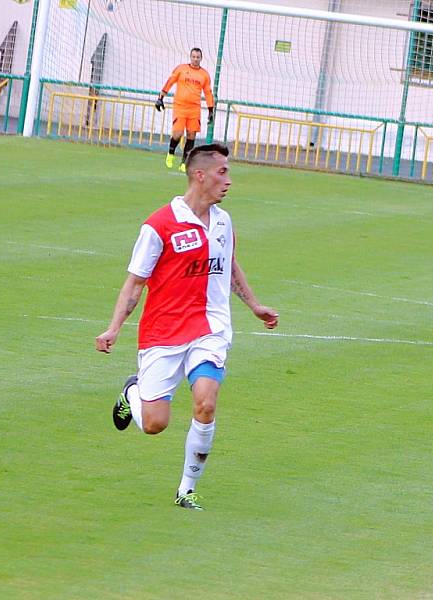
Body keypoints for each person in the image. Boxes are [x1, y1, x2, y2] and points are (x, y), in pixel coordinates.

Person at [95, 143, 278, 510]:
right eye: (222, 172)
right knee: (154, 424)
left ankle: (186, 489)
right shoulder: (159, 225)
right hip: (162, 333)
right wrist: (114, 328)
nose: (229, 181)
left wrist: (254, 304)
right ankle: (132, 393)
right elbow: (134, 284)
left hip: (210, 328)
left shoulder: (224, 222)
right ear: (200, 175)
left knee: (206, 404)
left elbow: (228, 265)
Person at [155, 47, 215, 174]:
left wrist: (211, 110)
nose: (195, 59)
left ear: (201, 58)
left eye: (198, 57)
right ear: (190, 57)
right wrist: (160, 98)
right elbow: (169, 82)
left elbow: (208, 93)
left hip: (194, 109)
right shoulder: (181, 69)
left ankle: (184, 162)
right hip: (180, 106)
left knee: (191, 135)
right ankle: (170, 153)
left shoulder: (204, 75)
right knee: (178, 133)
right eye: (193, 57)